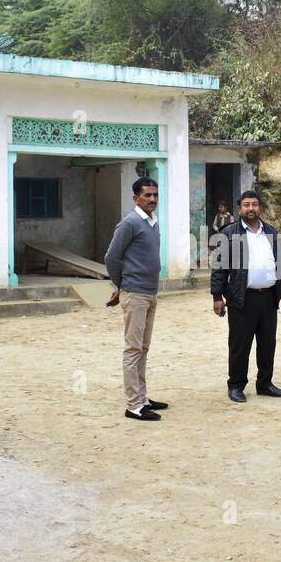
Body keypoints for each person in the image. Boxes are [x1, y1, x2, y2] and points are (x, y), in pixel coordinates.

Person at [211, 191, 281, 403]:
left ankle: (265, 384)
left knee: (267, 344)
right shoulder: (229, 233)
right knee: (240, 345)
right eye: (246, 205)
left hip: (268, 299)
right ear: (239, 209)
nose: (251, 208)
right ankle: (236, 385)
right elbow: (219, 268)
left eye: (254, 204)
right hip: (241, 299)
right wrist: (217, 296)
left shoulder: (271, 233)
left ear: (260, 208)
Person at [104, 177, 167, 421]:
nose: (152, 199)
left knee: (144, 348)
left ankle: (142, 398)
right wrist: (122, 286)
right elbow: (111, 257)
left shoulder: (153, 222)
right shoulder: (129, 224)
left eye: (155, 195)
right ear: (135, 198)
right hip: (135, 293)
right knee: (133, 349)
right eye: (147, 195)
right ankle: (133, 405)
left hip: (150, 293)